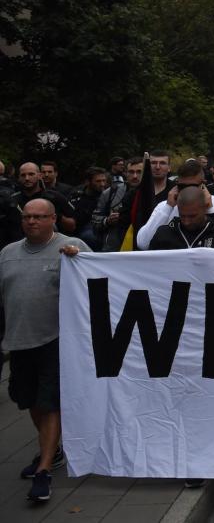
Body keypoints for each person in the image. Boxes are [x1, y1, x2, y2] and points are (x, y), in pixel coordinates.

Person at [0, 198, 90, 502]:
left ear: (53, 219)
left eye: (39, 217)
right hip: (18, 342)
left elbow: (96, 281)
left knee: (49, 402)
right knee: (29, 401)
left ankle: (43, 469)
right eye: (27, 217)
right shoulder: (7, 253)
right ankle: (54, 450)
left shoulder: (71, 246)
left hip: (56, 341)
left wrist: (78, 261)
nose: (32, 222)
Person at [136, 161, 214, 249]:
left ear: (203, 184)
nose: (188, 190)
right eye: (183, 186)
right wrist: (168, 208)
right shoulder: (165, 206)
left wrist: (210, 209)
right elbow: (143, 244)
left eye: (193, 186)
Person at [147, 187, 214, 251]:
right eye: (182, 216)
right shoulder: (164, 234)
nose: (187, 222)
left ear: (205, 209)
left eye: (192, 216)